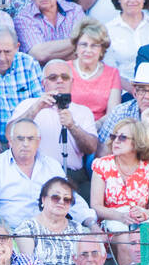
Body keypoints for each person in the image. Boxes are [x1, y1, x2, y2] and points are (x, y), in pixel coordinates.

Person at [0, 116, 98, 228]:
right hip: (11, 233)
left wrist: (91, 223)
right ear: (10, 141)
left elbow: (71, 199)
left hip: (48, 232)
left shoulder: (51, 165)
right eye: (20, 139)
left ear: (38, 141)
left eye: (30, 139)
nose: (25, 144)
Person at [11, 59, 99, 192]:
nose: (59, 81)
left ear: (71, 82)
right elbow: (10, 134)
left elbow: (91, 148)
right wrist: (36, 108)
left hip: (73, 175)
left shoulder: (83, 111)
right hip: (35, 173)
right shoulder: (28, 105)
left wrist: (72, 126)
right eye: (53, 78)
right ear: (43, 83)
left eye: (65, 77)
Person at [91, 117, 149, 230]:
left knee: (146, 231)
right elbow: (96, 206)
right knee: (122, 233)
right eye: (113, 136)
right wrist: (120, 216)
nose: (116, 141)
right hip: (112, 222)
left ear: (137, 142)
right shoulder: (101, 165)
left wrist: (145, 214)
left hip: (140, 223)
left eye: (122, 137)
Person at [14, 176, 92, 265]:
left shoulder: (79, 229)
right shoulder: (27, 228)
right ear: (43, 199)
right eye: (56, 197)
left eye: (67, 199)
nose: (61, 202)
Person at [14, 0, 85, 65]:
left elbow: (86, 49)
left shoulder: (75, 11)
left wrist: (50, 53)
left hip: (76, 74)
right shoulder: (23, 18)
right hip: (42, 77)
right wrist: (79, 42)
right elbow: (39, 54)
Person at [69, 18, 122, 121]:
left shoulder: (112, 73)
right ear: (76, 47)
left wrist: (93, 127)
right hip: (69, 126)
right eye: (83, 45)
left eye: (94, 46)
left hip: (100, 129)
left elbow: (112, 114)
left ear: (102, 49)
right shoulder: (65, 69)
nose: (88, 50)